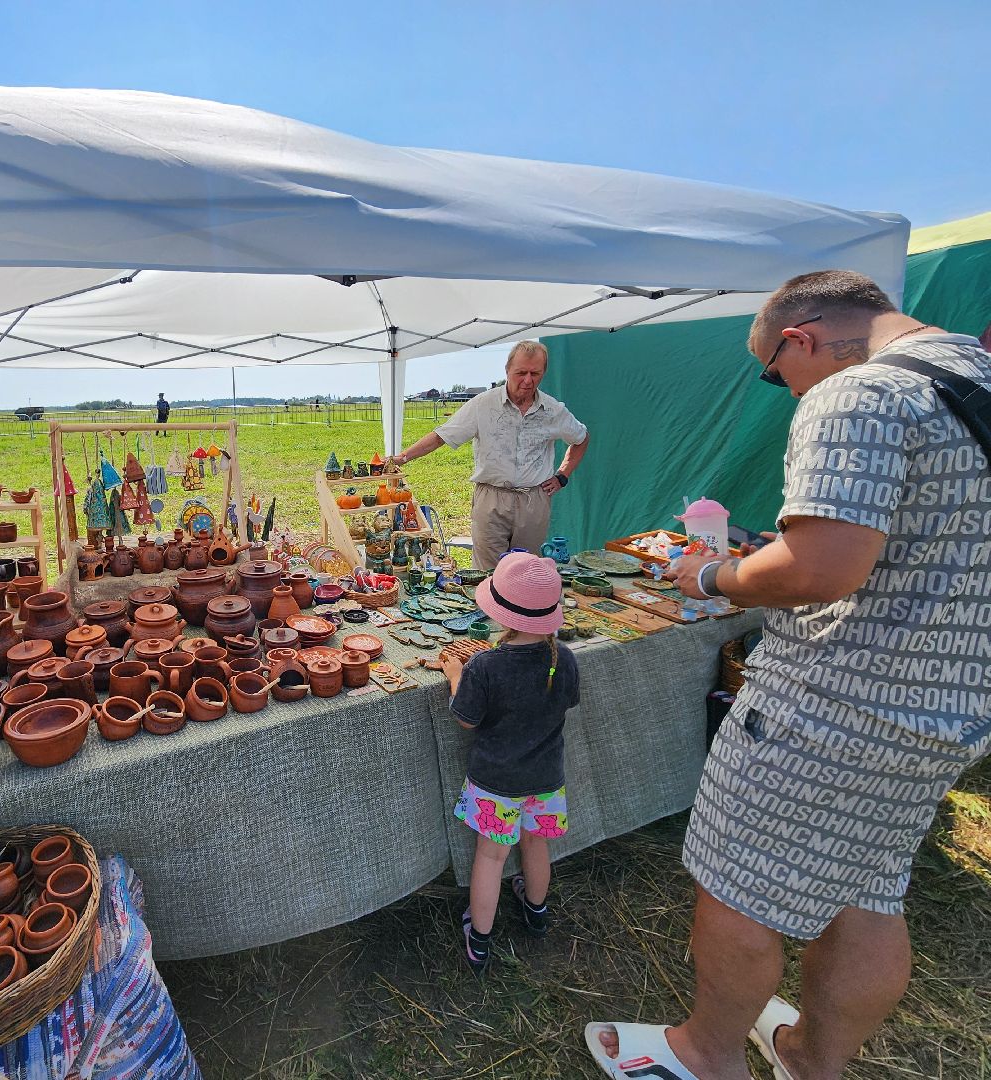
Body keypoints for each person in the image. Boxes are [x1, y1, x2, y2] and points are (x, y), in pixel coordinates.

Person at [589, 270, 991, 1080]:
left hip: (830, 703)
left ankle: (706, 1055)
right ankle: (812, 1059)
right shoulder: (975, 372)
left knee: (735, 883)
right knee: (872, 891)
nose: (781, 387)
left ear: (799, 338)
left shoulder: (858, 394)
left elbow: (821, 565)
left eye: (775, 372)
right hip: (950, 704)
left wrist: (714, 577)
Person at [442, 553, 580, 973]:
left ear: (500, 613)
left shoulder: (484, 666)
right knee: (536, 844)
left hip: (496, 782)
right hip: (545, 778)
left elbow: (466, 719)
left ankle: (480, 939)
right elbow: (563, 704)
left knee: (491, 857)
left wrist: (454, 675)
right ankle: (536, 910)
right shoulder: (564, 658)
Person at [389, 342, 589, 570]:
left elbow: (581, 439)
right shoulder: (483, 404)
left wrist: (562, 475)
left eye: (535, 373)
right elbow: (441, 436)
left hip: (534, 501)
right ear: (507, 370)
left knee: (526, 571)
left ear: (543, 373)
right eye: (521, 373)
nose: (528, 380)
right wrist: (403, 457)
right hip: (491, 498)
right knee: (487, 573)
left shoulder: (553, 410)